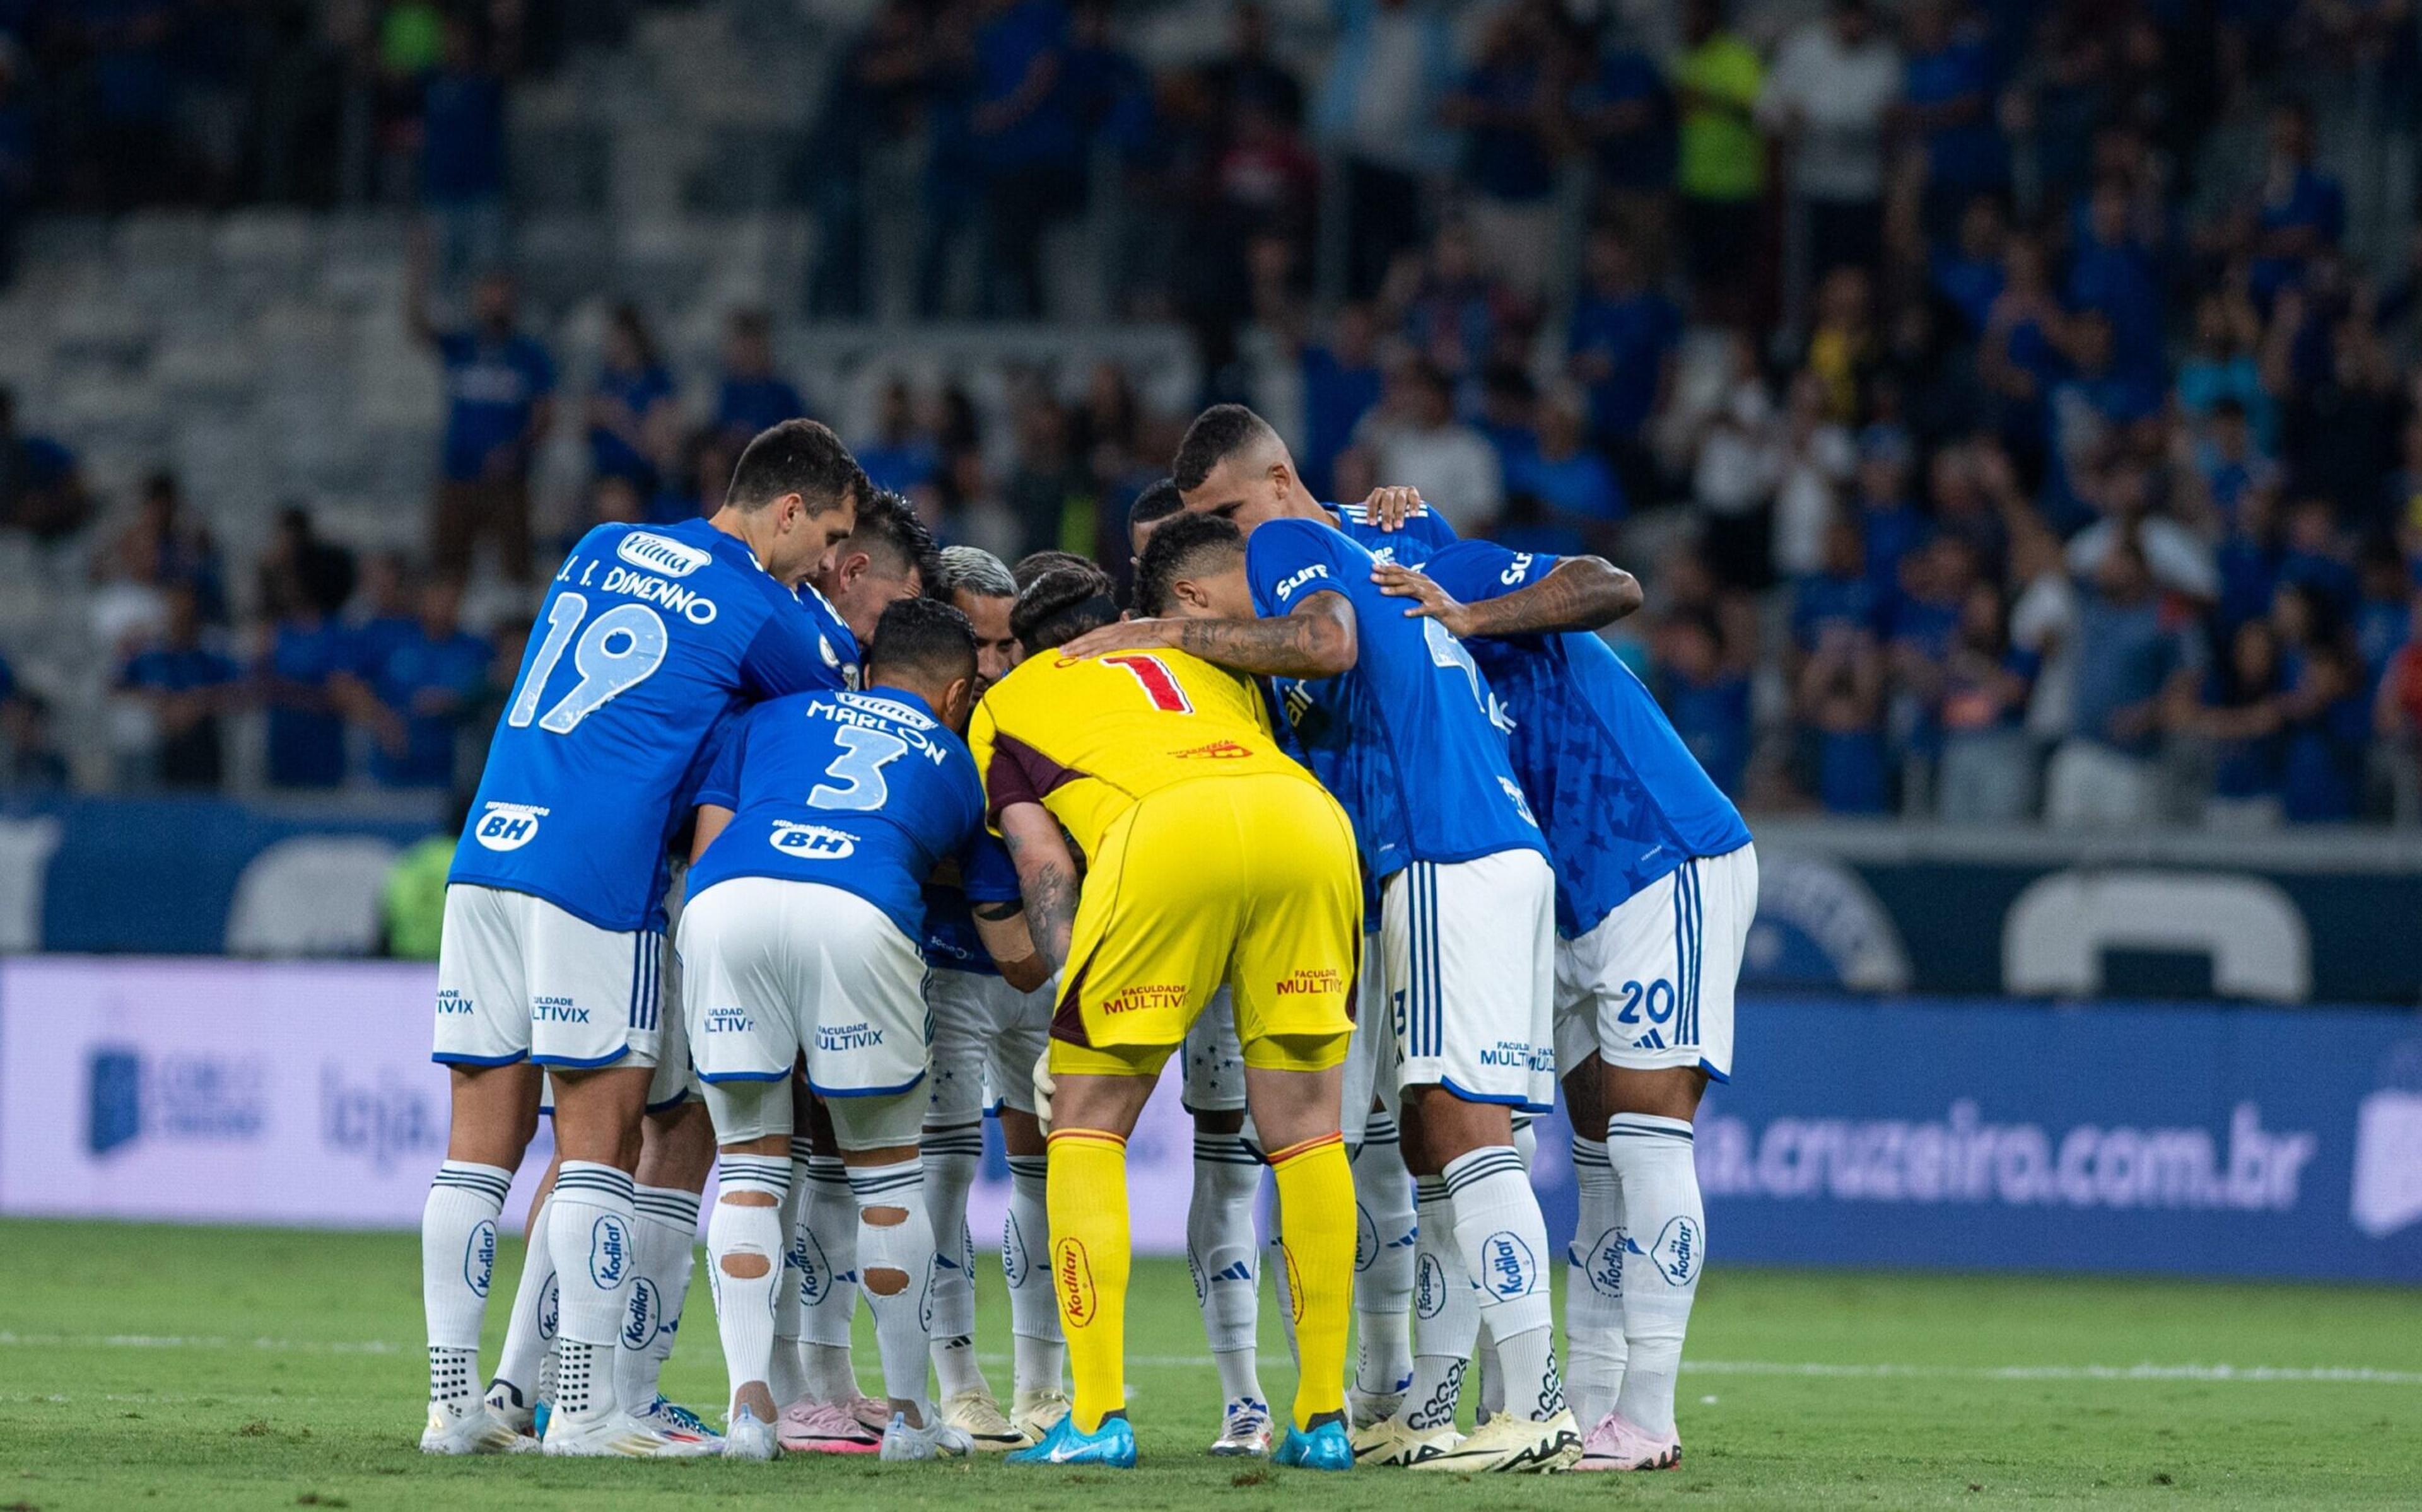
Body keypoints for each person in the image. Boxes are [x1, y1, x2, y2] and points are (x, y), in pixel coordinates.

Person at [1075, 405, 1579, 1472]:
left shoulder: (1302, 546)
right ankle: (1424, 1404)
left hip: (1444, 846)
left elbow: (1326, 643)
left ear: (1278, 479)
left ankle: (1536, 1401)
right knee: (1437, 1140)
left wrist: (1161, 630)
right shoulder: (1366, 545)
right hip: (1475, 848)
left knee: (1462, 1127)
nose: (1233, 541)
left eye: (1228, 513)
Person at [421, 419, 864, 1459]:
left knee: (473, 1159)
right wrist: (820, 616)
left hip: (488, 853)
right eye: (828, 536)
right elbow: (840, 691)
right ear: (788, 509)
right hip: (596, 875)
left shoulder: (603, 542)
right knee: (600, 1148)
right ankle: (585, 1407)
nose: (828, 563)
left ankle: (453, 1409)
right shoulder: (766, 606)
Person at [1367, 511, 1754, 1474]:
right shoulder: (1385, 671)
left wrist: (1469, 612)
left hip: (1661, 858)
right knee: (1591, 1154)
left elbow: (1612, 583)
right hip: (1561, 898)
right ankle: (1586, 1404)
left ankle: (1650, 1414)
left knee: (1644, 1135)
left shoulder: (1454, 576)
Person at [972, 528, 1364, 1473]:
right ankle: (1321, 1418)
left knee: (1086, 1121)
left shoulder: (1009, 700)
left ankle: (1098, 1413)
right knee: (1308, 1129)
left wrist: (1075, 996)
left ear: (1026, 644)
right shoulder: (1195, 654)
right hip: (1305, 822)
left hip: (1162, 830)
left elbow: (1042, 859)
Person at [682, 597, 1027, 1462]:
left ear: (870, 673)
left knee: (752, 1167)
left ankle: (750, 1410)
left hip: (727, 902)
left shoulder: (770, 716)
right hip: (858, 906)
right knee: (883, 1172)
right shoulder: (958, 760)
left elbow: (709, 842)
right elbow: (1012, 947)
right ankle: (911, 1415)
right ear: (957, 693)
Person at [770, 486, 940, 1455]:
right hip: (735, 895)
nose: (894, 641)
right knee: (761, 1148)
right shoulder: (802, 646)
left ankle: (822, 1381)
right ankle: (788, 1390)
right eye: (896, 608)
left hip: (774, 903)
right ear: (852, 570)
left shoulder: (825, 649)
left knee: (817, 1144)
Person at [914, 546, 1062, 1450]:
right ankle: (960, 1382)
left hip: (1039, 970)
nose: (1002, 663)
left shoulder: (1037, 706)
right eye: (985, 642)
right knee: (948, 1172)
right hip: (948, 968)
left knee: (1048, 1170)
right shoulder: (917, 716)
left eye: (1012, 642)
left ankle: (1045, 1384)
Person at [409, 255, 555, 585]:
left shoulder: (528, 354)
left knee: (516, 568)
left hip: (508, 481)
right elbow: (418, 328)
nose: (495, 303)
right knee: (447, 566)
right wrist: (419, 271)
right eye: (488, 294)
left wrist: (517, 452)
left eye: (502, 295)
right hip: (458, 475)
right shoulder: (463, 346)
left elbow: (545, 414)